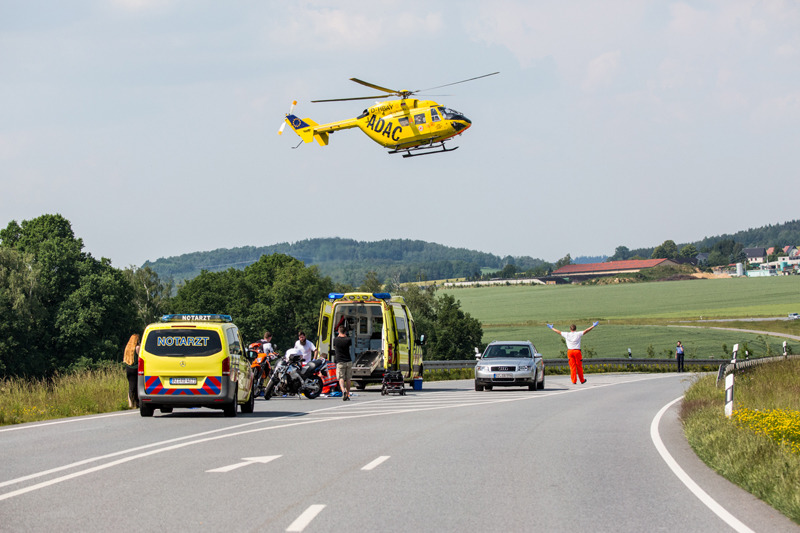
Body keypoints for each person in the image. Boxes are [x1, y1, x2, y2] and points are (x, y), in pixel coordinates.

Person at [332, 325, 353, 401]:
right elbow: (349, 346)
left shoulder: (336, 340)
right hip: (348, 360)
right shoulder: (348, 339)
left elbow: (334, 347)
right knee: (348, 378)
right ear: (345, 332)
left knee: (341, 378)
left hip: (340, 361)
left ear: (338, 331)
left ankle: (343, 390)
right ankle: (347, 393)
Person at [123, 333, 141, 408]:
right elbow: (141, 357)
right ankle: (137, 402)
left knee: (131, 386)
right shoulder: (137, 348)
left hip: (128, 368)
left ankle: (130, 403)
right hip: (136, 368)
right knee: (137, 386)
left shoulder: (127, 348)